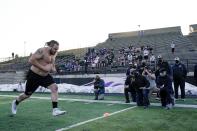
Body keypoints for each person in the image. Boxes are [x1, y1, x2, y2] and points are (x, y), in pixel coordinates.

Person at [11, 40, 66, 116]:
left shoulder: (55, 53)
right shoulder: (42, 50)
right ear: (50, 47)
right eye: (55, 49)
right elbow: (31, 60)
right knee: (27, 95)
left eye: (57, 49)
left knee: (55, 88)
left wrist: (53, 69)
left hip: (45, 76)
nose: (56, 51)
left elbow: (51, 63)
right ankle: (16, 102)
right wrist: (44, 68)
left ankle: (55, 110)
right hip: (34, 76)